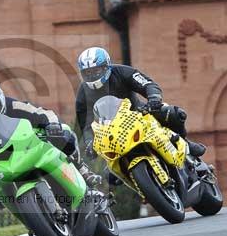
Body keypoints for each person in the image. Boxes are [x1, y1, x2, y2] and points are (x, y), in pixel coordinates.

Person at [0, 80, 101, 211]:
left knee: (63, 133)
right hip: (5, 162)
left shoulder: (13, 105)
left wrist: (52, 125)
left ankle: (82, 169)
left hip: (30, 143)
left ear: (0, 102)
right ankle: (26, 212)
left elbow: (42, 112)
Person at [74, 47, 206, 160]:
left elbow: (147, 84)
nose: (92, 75)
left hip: (139, 114)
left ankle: (185, 144)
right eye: (87, 72)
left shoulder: (122, 72)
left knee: (174, 114)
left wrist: (154, 99)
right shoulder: (82, 93)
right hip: (112, 133)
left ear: (106, 66)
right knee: (110, 176)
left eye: (96, 70)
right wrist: (89, 143)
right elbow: (85, 124)